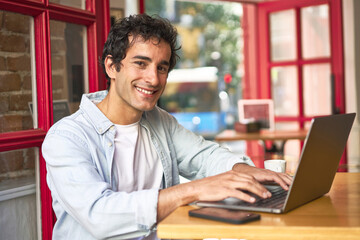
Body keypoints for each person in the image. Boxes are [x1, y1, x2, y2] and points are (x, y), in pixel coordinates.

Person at [42, 14, 292, 240]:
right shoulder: (66, 138)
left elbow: (204, 156)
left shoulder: (158, 120)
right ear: (111, 67)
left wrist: (243, 171)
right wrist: (193, 190)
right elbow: (98, 215)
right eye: (141, 63)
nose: (153, 79)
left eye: (162, 67)